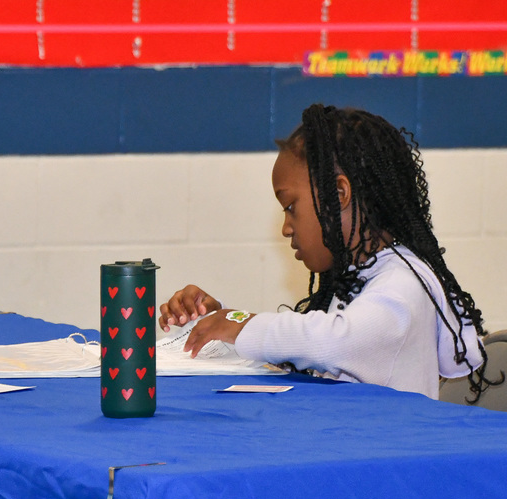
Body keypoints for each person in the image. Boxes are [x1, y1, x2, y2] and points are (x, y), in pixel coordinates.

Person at [158, 103, 495, 401]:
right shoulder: (354, 279)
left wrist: (240, 322)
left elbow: (333, 342)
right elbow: (302, 352)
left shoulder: (404, 285)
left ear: (340, 193)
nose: (286, 228)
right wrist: (218, 324)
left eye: (291, 207)